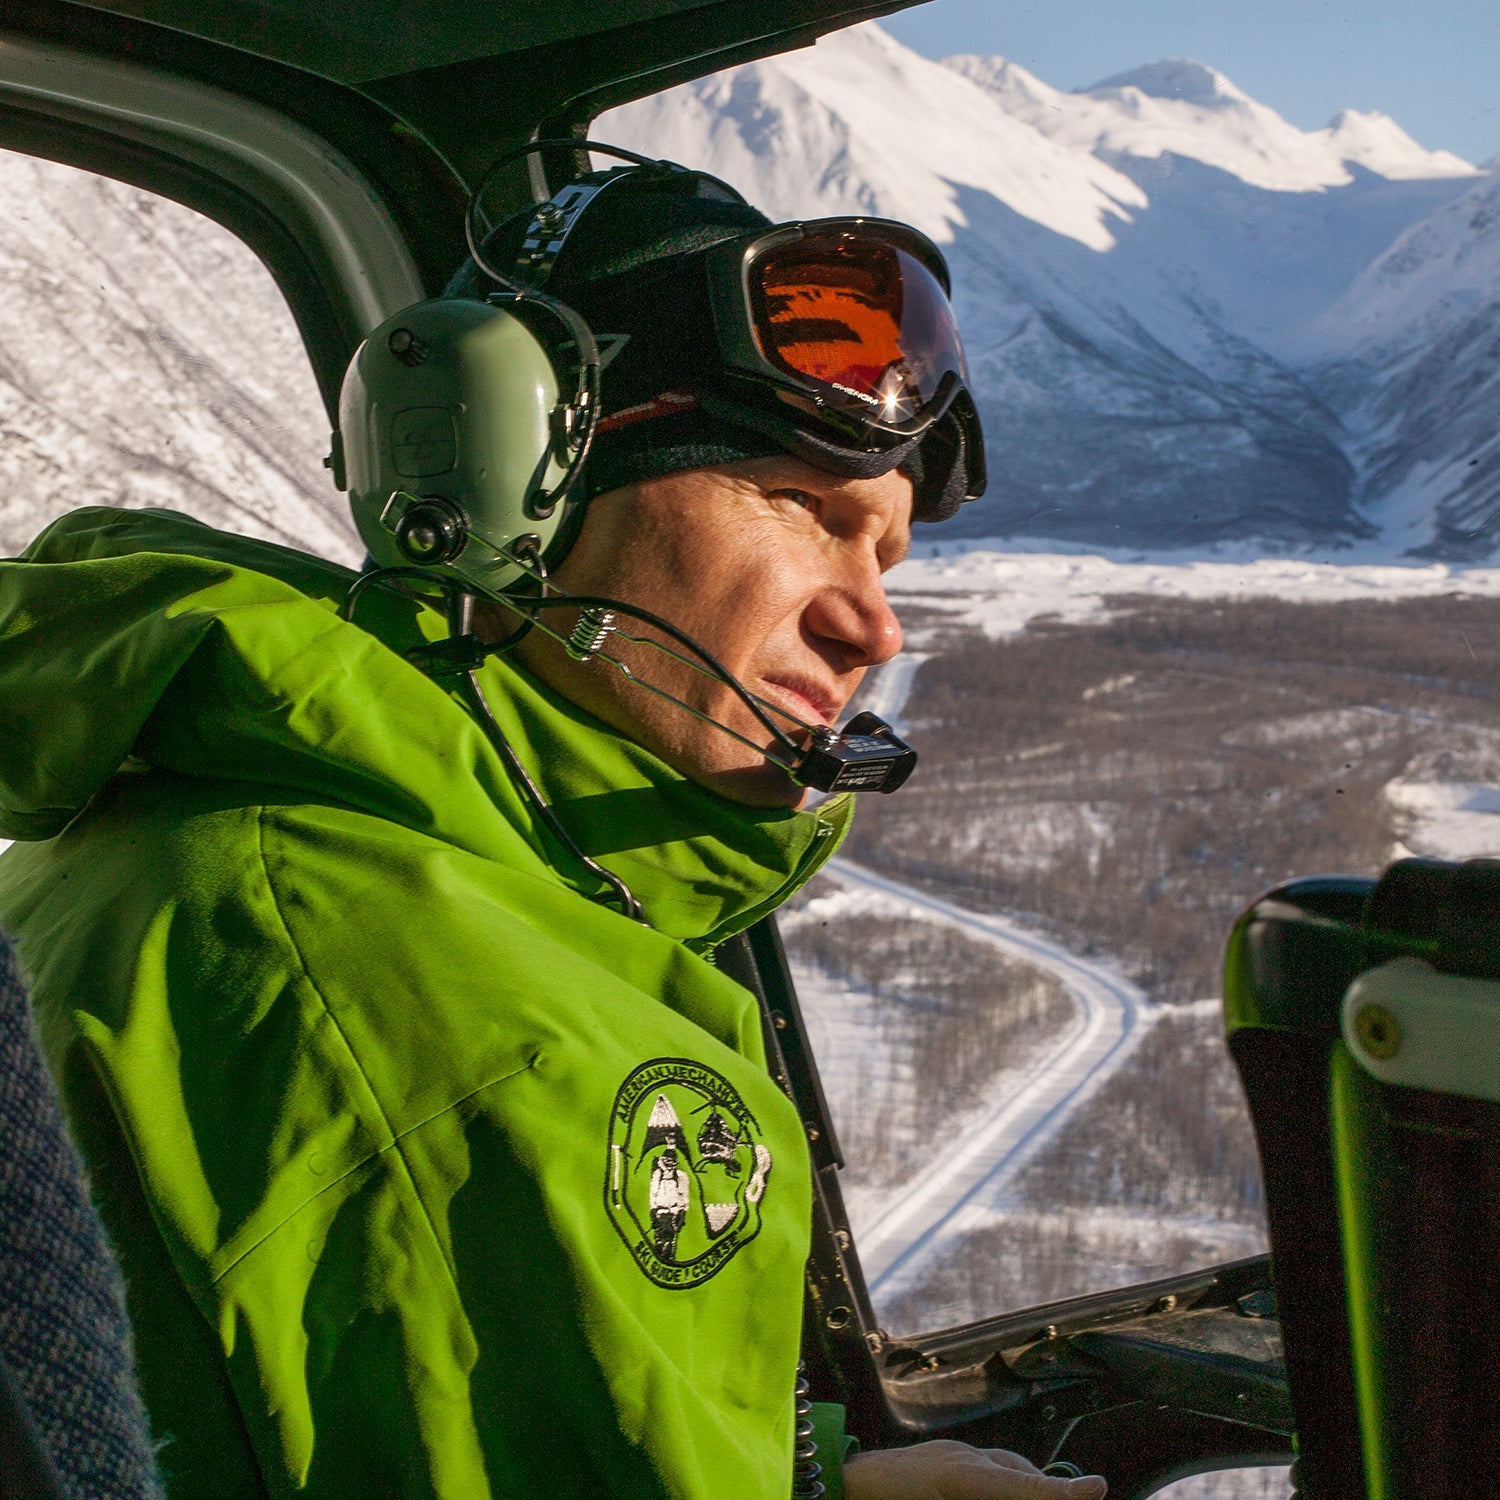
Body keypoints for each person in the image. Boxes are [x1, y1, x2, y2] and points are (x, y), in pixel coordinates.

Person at [0, 166, 1106, 1500]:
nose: (875, 624)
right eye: (803, 508)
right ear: (522, 486)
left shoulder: (303, 824)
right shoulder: (426, 987)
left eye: (887, 555)